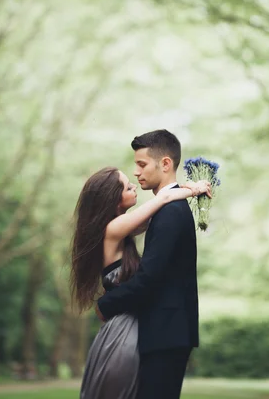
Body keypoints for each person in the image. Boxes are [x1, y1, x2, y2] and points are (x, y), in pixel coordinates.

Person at [70, 130, 211, 399]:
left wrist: (186, 191)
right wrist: (192, 189)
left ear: (165, 164)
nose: (135, 176)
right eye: (127, 185)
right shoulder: (117, 227)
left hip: (158, 330)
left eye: (141, 165)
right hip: (133, 328)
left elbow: (149, 275)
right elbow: (162, 200)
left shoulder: (161, 215)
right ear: (111, 198)